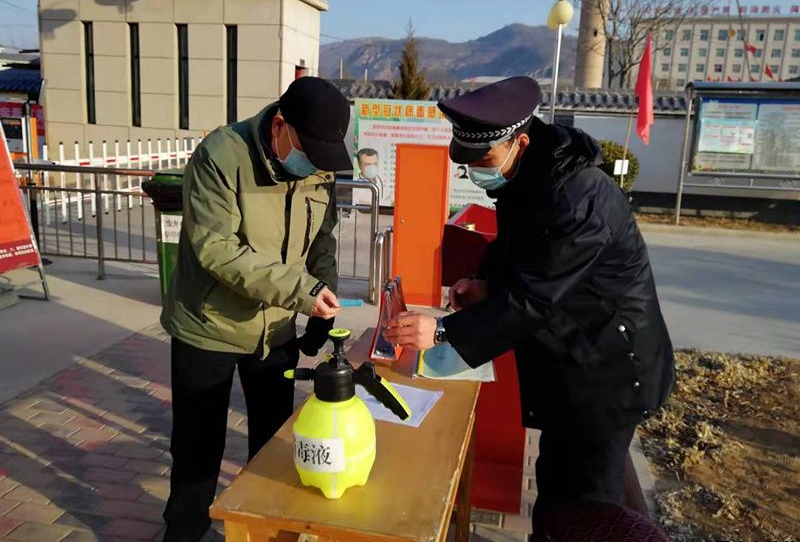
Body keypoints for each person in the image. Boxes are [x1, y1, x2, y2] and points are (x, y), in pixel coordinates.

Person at [383, 76, 675, 539]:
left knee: (588, 508)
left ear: (519, 140)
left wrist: (442, 332)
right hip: (573, 360)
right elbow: (518, 253)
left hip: (608, 372)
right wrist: (484, 285)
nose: (475, 171)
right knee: (557, 486)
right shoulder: (530, 175)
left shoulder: (578, 196)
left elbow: (536, 296)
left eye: (483, 159)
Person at [160, 76, 353, 542]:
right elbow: (217, 250)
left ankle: (263, 532)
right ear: (280, 124)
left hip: (277, 330)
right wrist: (301, 291)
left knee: (271, 445)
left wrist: (320, 301)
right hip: (209, 326)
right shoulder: (221, 156)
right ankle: (184, 533)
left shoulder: (318, 165)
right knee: (197, 449)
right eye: (308, 151)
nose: (313, 165)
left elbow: (321, 242)